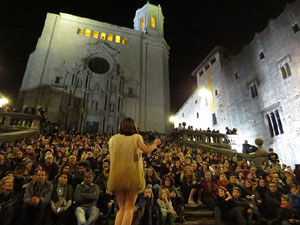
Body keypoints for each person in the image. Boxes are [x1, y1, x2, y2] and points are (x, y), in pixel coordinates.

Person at [107, 117, 161, 225]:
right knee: (129, 208)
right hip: (132, 176)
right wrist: (155, 144)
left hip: (117, 176)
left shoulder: (113, 139)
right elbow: (146, 149)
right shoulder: (136, 137)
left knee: (121, 209)